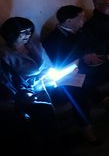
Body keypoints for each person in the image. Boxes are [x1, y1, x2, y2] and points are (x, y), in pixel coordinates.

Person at [42, 5, 109, 137]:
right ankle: (98, 113)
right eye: (81, 17)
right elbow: (59, 63)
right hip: (69, 76)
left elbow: (93, 46)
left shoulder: (80, 31)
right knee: (78, 92)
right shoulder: (53, 39)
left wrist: (95, 54)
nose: (84, 20)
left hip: (88, 68)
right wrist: (82, 58)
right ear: (68, 21)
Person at [0, 17, 64, 155]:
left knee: (75, 86)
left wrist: (49, 74)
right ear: (11, 33)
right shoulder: (5, 54)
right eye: (23, 32)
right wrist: (38, 78)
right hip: (27, 93)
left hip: (46, 85)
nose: (27, 35)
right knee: (43, 115)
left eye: (29, 31)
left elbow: (49, 65)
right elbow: (10, 82)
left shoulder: (35, 45)